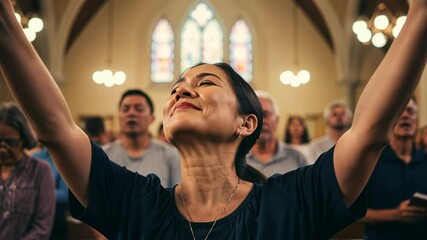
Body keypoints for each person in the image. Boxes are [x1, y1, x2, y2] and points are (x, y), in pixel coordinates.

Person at [0, 0, 426, 238]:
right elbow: (56, 128)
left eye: (205, 82)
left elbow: (368, 131)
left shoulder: (288, 203)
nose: (182, 89)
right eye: (177, 87)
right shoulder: (137, 204)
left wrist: (421, 14)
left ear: (247, 123)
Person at [361, 98, 427, 239]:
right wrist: (395, 214)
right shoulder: (371, 161)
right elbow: (354, 213)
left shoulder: (425, 159)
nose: (405, 116)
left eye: (410, 111)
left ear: (416, 119)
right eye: (400, 111)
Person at [103, 89, 181, 187]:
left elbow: (179, 197)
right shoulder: (104, 155)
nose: (131, 113)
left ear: (152, 118)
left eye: (139, 109)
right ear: (119, 116)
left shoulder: (170, 155)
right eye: (125, 109)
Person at [0, 102, 55, 239]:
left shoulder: (40, 171)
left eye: (10, 142)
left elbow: (42, 228)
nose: (3, 149)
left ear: (23, 139)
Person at [246, 91, 307, 177]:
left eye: (265, 115)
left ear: (277, 120)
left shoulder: (297, 158)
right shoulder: (236, 159)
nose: (261, 121)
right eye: (255, 115)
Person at [32, 145, 69, 240]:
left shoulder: (67, 158)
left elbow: (64, 195)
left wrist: (37, 193)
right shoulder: (35, 157)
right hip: (32, 214)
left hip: (55, 215)